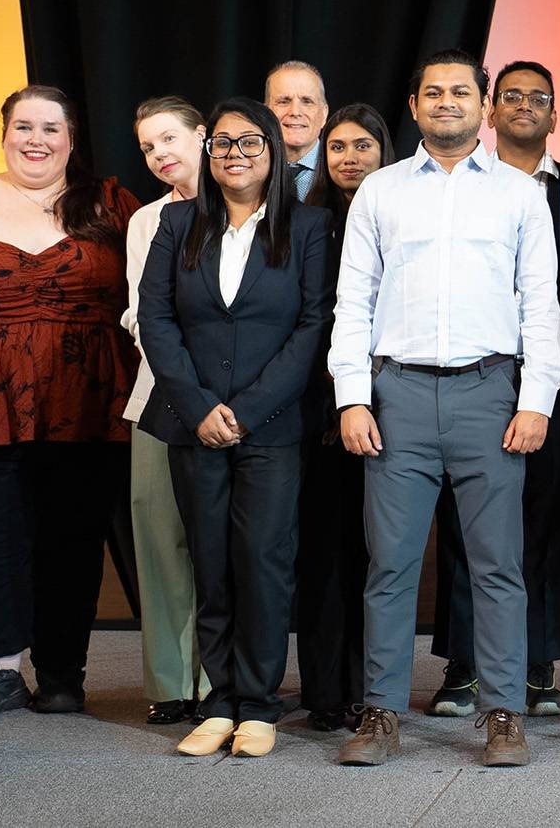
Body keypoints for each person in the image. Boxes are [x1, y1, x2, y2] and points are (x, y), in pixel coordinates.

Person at [331, 49, 560, 769]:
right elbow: (353, 303)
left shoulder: (520, 194)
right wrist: (351, 396)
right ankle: (380, 713)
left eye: (461, 91)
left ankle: (502, 713)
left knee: (497, 566)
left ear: (483, 104)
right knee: (390, 565)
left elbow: (540, 305)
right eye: (433, 92)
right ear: (413, 105)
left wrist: (537, 400)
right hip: (395, 393)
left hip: (489, 393)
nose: (447, 102)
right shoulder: (381, 191)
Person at [0, 85, 141, 718]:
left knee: (71, 539)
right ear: (4, 132)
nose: (35, 139)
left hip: (86, 402)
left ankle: (63, 672)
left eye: (51, 128)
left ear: (71, 139)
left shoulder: (113, 204)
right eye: (23, 126)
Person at [138, 97, 331, 757]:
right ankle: (218, 701)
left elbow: (312, 327)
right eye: (223, 143)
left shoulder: (307, 227)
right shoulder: (176, 223)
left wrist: (246, 411)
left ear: (273, 151)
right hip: (193, 424)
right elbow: (156, 320)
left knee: (264, 565)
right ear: (208, 152)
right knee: (212, 565)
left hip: (271, 429)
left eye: (250, 143)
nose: (236, 154)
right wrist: (198, 406)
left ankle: (259, 703)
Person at [430, 61, 560, 718]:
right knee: (466, 523)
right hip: (472, 379)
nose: (525, 106)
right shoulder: (458, 188)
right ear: (491, 112)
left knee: (547, 522)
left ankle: (538, 664)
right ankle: (465, 665)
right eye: (512, 95)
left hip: (559, 381)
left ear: (555, 116)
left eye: (540, 98)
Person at [295, 103, 398, 732]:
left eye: (363, 145)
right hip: (315, 408)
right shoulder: (306, 224)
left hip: (388, 402)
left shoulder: (397, 215)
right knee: (323, 551)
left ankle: (373, 688)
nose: (350, 158)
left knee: (377, 551)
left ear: (385, 150)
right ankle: (326, 691)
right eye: (337, 147)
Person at [122, 96, 212, 724]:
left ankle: (220, 680)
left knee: (222, 543)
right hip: (158, 395)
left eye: (170, 138)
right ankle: (171, 682)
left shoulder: (250, 207)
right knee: (160, 539)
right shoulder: (145, 221)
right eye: (149, 147)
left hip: (233, 400)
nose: (160, 154)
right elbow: (136, 314)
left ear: (203, 136)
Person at [266, 60, 328, 201]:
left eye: (307, 101)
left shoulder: (342, 170)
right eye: (283, 101)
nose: (295, 111)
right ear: (266, 112)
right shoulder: (247, 171)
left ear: (324, 114)